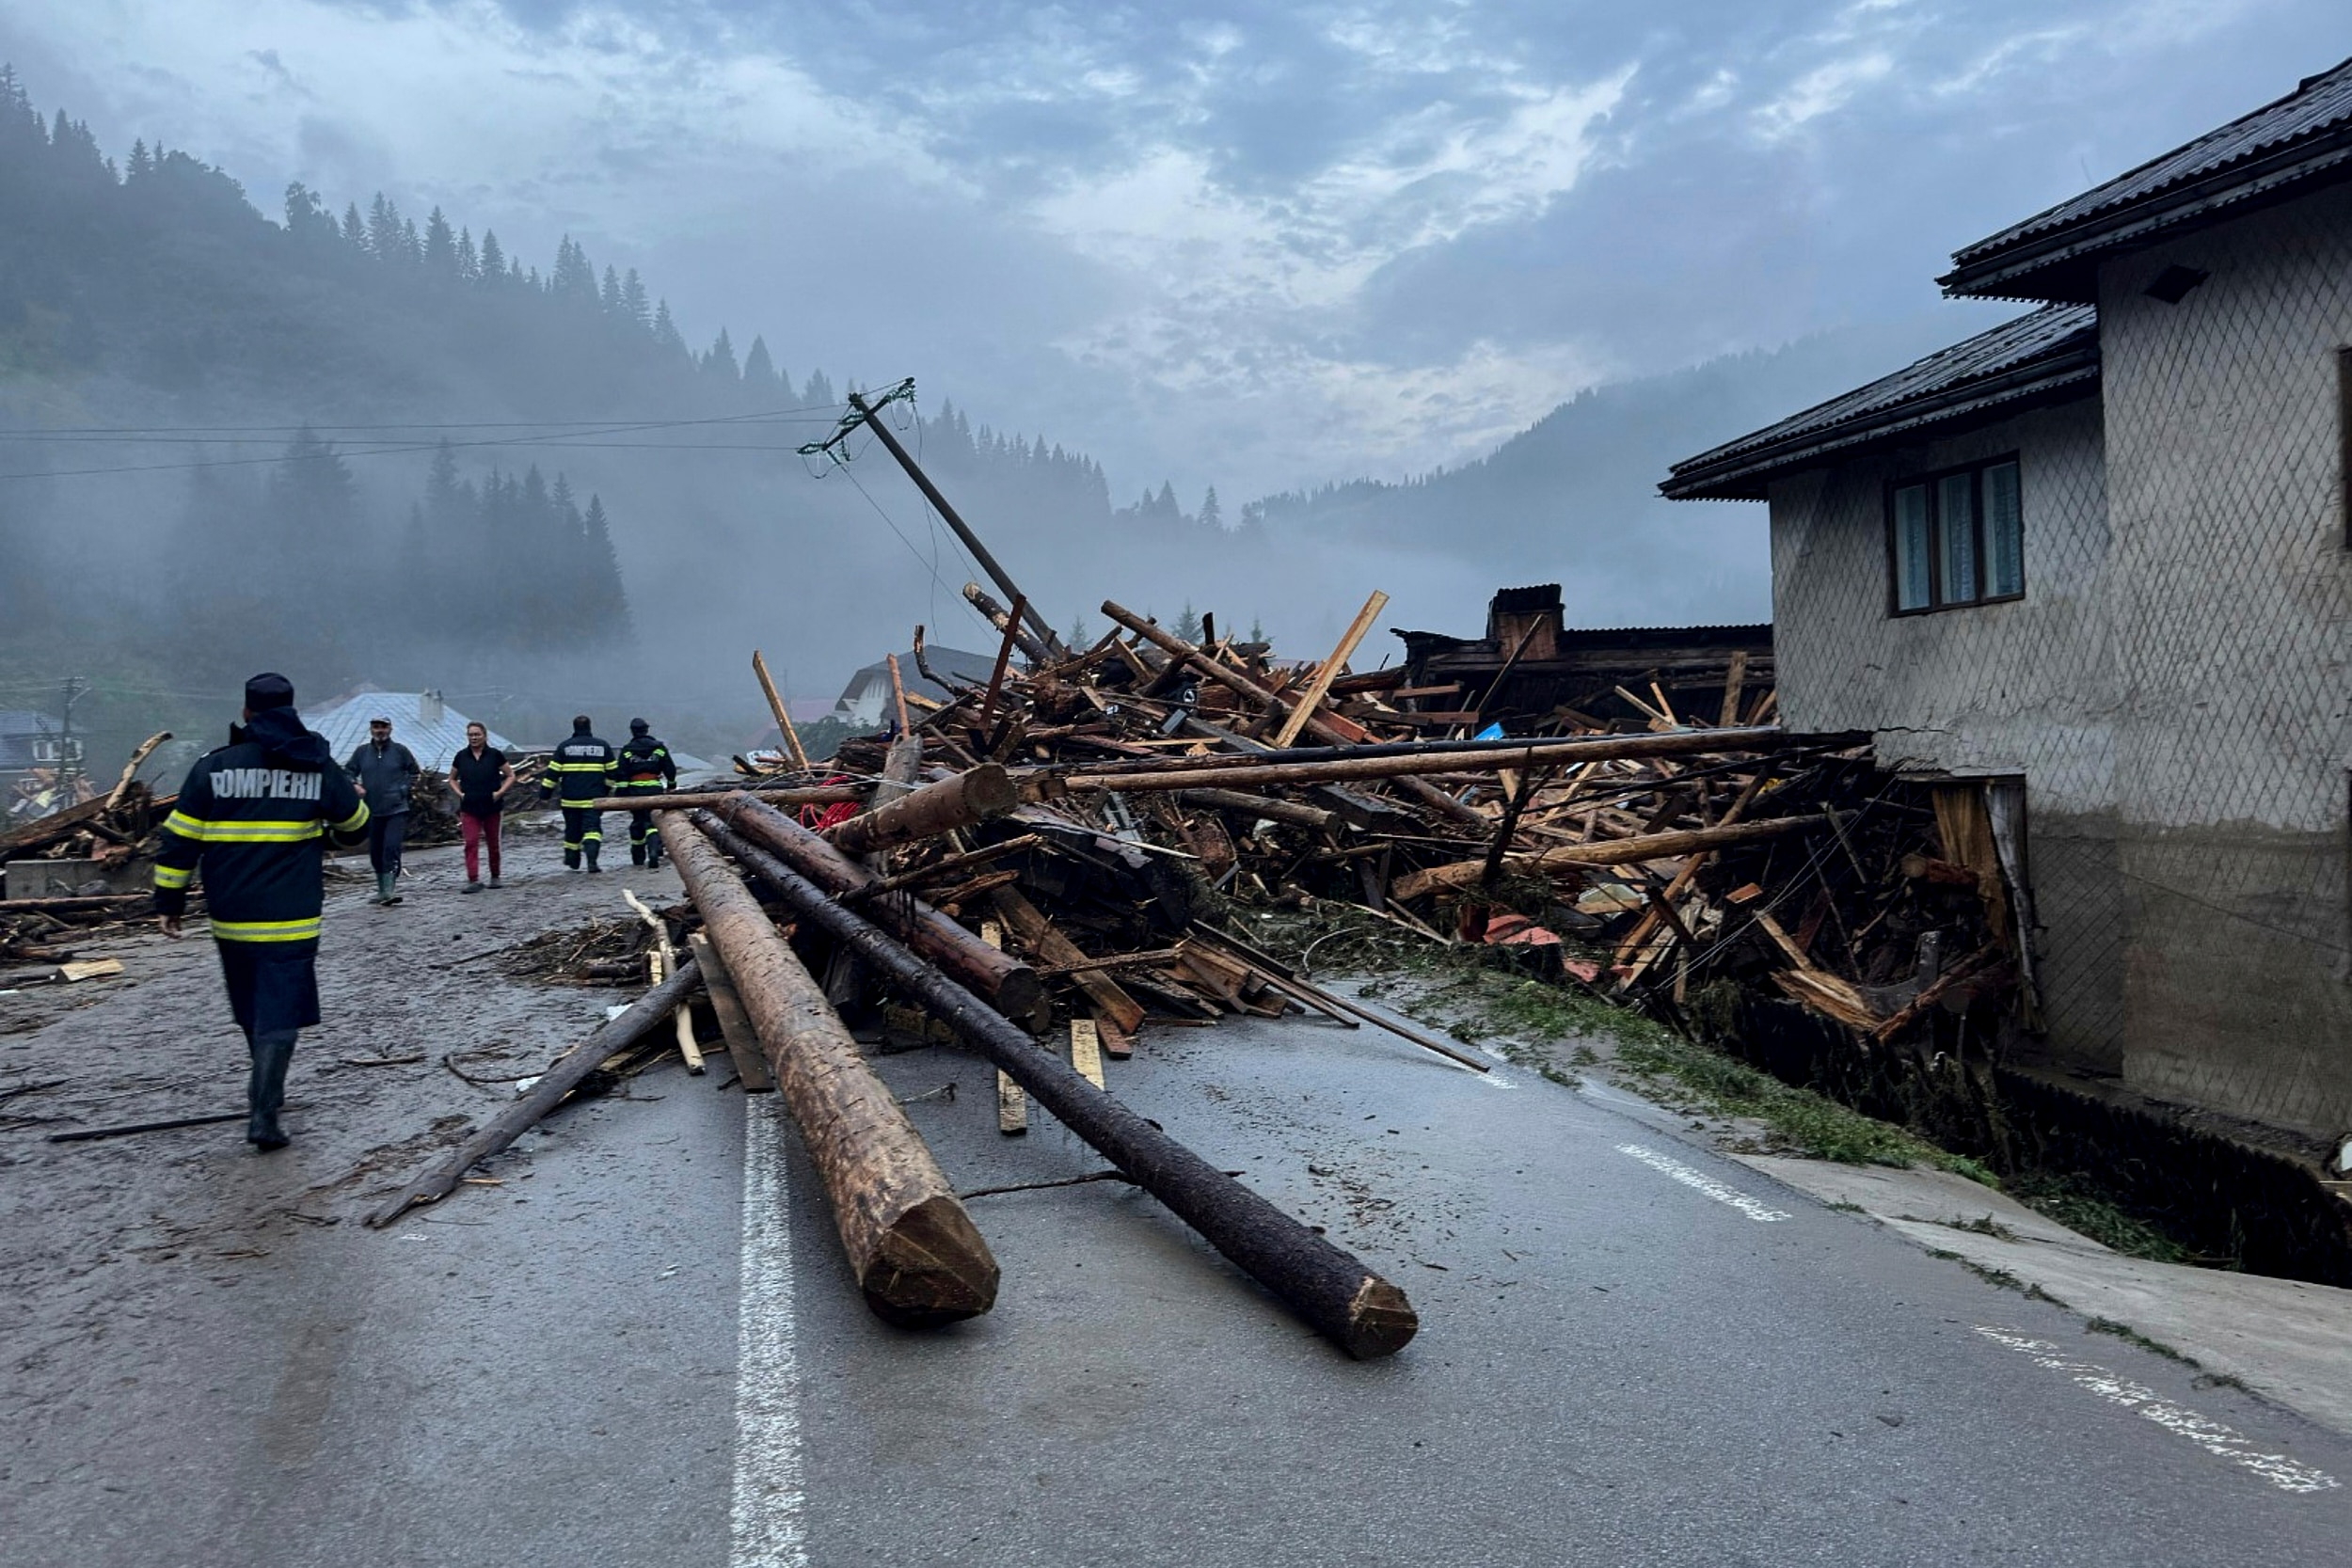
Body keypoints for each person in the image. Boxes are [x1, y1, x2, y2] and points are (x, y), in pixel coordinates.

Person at [152, 673, 370, 1150]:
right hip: (291, 917)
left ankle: (265, 1092)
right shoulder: (314, 764)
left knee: (252, 1007)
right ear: (292, 710)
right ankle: (265, 1113)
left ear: (246, 712)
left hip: (230, 918)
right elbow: (356, 828)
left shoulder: (214, 768)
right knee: (281, 1010)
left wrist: (168, 902)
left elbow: (178, 841)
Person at [344, 716, 420, 906]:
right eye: (376, 727)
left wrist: (402, 790)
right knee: (376, 851)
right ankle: (381, 890)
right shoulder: (362, 752)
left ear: (390, 729)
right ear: (371, 729)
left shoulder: (400, 751)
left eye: (383, 727)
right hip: (371, 810)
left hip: (396, 809)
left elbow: (414, 772)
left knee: (391, 847)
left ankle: (389, 890)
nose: (380, 730)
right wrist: (354, 784)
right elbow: (347, 771)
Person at [539, 714, 616, 871]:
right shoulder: (602, 746)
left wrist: (544, 794)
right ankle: (592, 861)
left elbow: (552, 774)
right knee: (592, 830)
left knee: (572, 829)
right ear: (589, 727)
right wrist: (606, 790)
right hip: (594, 800)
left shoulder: (564, 747)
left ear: (574, 728)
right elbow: (613, 773)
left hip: (570, 799)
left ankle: (573, 859)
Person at [446, 721, 516, 892]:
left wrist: (499, 792)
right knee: (470, 842)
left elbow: (510, 775)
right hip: (469, 807)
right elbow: (452, 778)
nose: (474, 737)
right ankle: (473, 879)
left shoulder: (495, 755)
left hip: (492, 806)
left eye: (477, 734)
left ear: (485, 736)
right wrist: (460, 794)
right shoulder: (461, 756)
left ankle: (495, 876)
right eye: (470, 734)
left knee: (493, 843)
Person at [611, 717, 678, 867]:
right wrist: (672, 785)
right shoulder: (658, 748)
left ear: (632, 731)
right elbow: (670, 768)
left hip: (634, 791)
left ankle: (638, 857)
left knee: (638, 821)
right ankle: (654, 851)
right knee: (653, 821)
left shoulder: (627, 750)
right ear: (647, 730)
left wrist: (621, 793)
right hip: (654, 788)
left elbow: (621, 772)